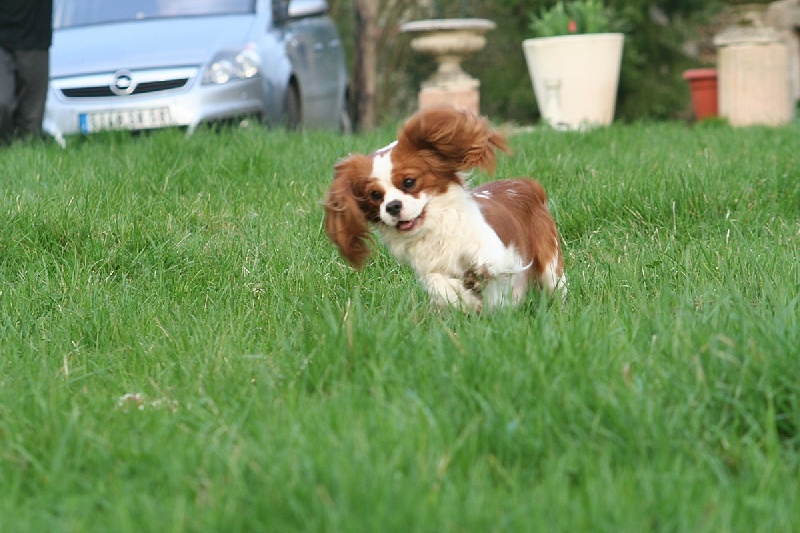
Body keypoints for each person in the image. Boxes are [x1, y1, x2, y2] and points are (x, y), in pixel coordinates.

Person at [0, 0, 53, 144]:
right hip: (2, 40)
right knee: (2, 102)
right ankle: (5, 148)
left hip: (35, 39)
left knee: (32, 114)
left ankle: (28, 151)